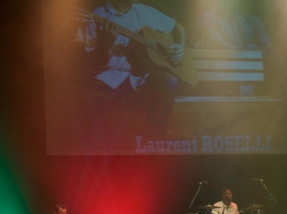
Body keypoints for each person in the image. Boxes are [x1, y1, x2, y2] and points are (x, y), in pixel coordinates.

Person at [75, 0, 190, 139]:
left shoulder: (143, 11)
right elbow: (91, 62)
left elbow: (179, 28)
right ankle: (109, 152)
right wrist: (104, 43)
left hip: (140, 81)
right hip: (110, 81)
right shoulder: (97, 16)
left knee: (169, 81)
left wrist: (181, 47)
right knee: (89, 99)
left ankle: (152, 142)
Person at [198, 0, 272, 50]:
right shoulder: (208, 19)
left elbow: (267, 48)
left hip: (252, 69)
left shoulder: (254, 22)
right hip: (220, 70)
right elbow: (214, 43)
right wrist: (243, 48)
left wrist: (256, 48)